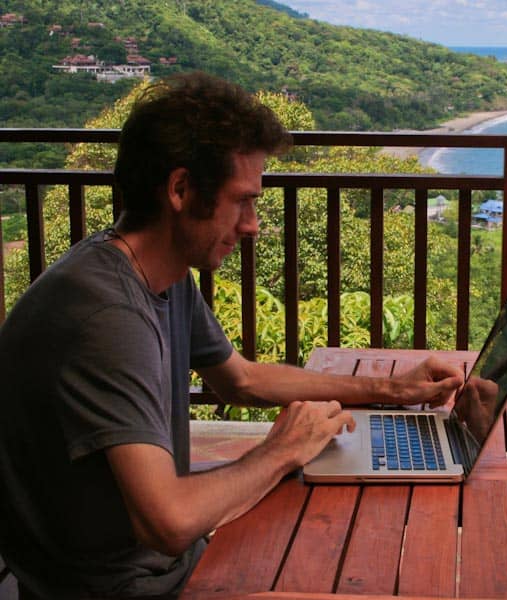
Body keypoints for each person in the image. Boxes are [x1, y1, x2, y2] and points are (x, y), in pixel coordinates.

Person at [0, 72, 464, 599]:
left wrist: (393, 390)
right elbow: (168, 524)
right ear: (179, 190)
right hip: (119, 585)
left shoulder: (158, 273)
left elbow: (240, 380)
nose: (253, 224)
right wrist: (279, 452)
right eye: (242, 200)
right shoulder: (105, 317)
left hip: (157, 561)